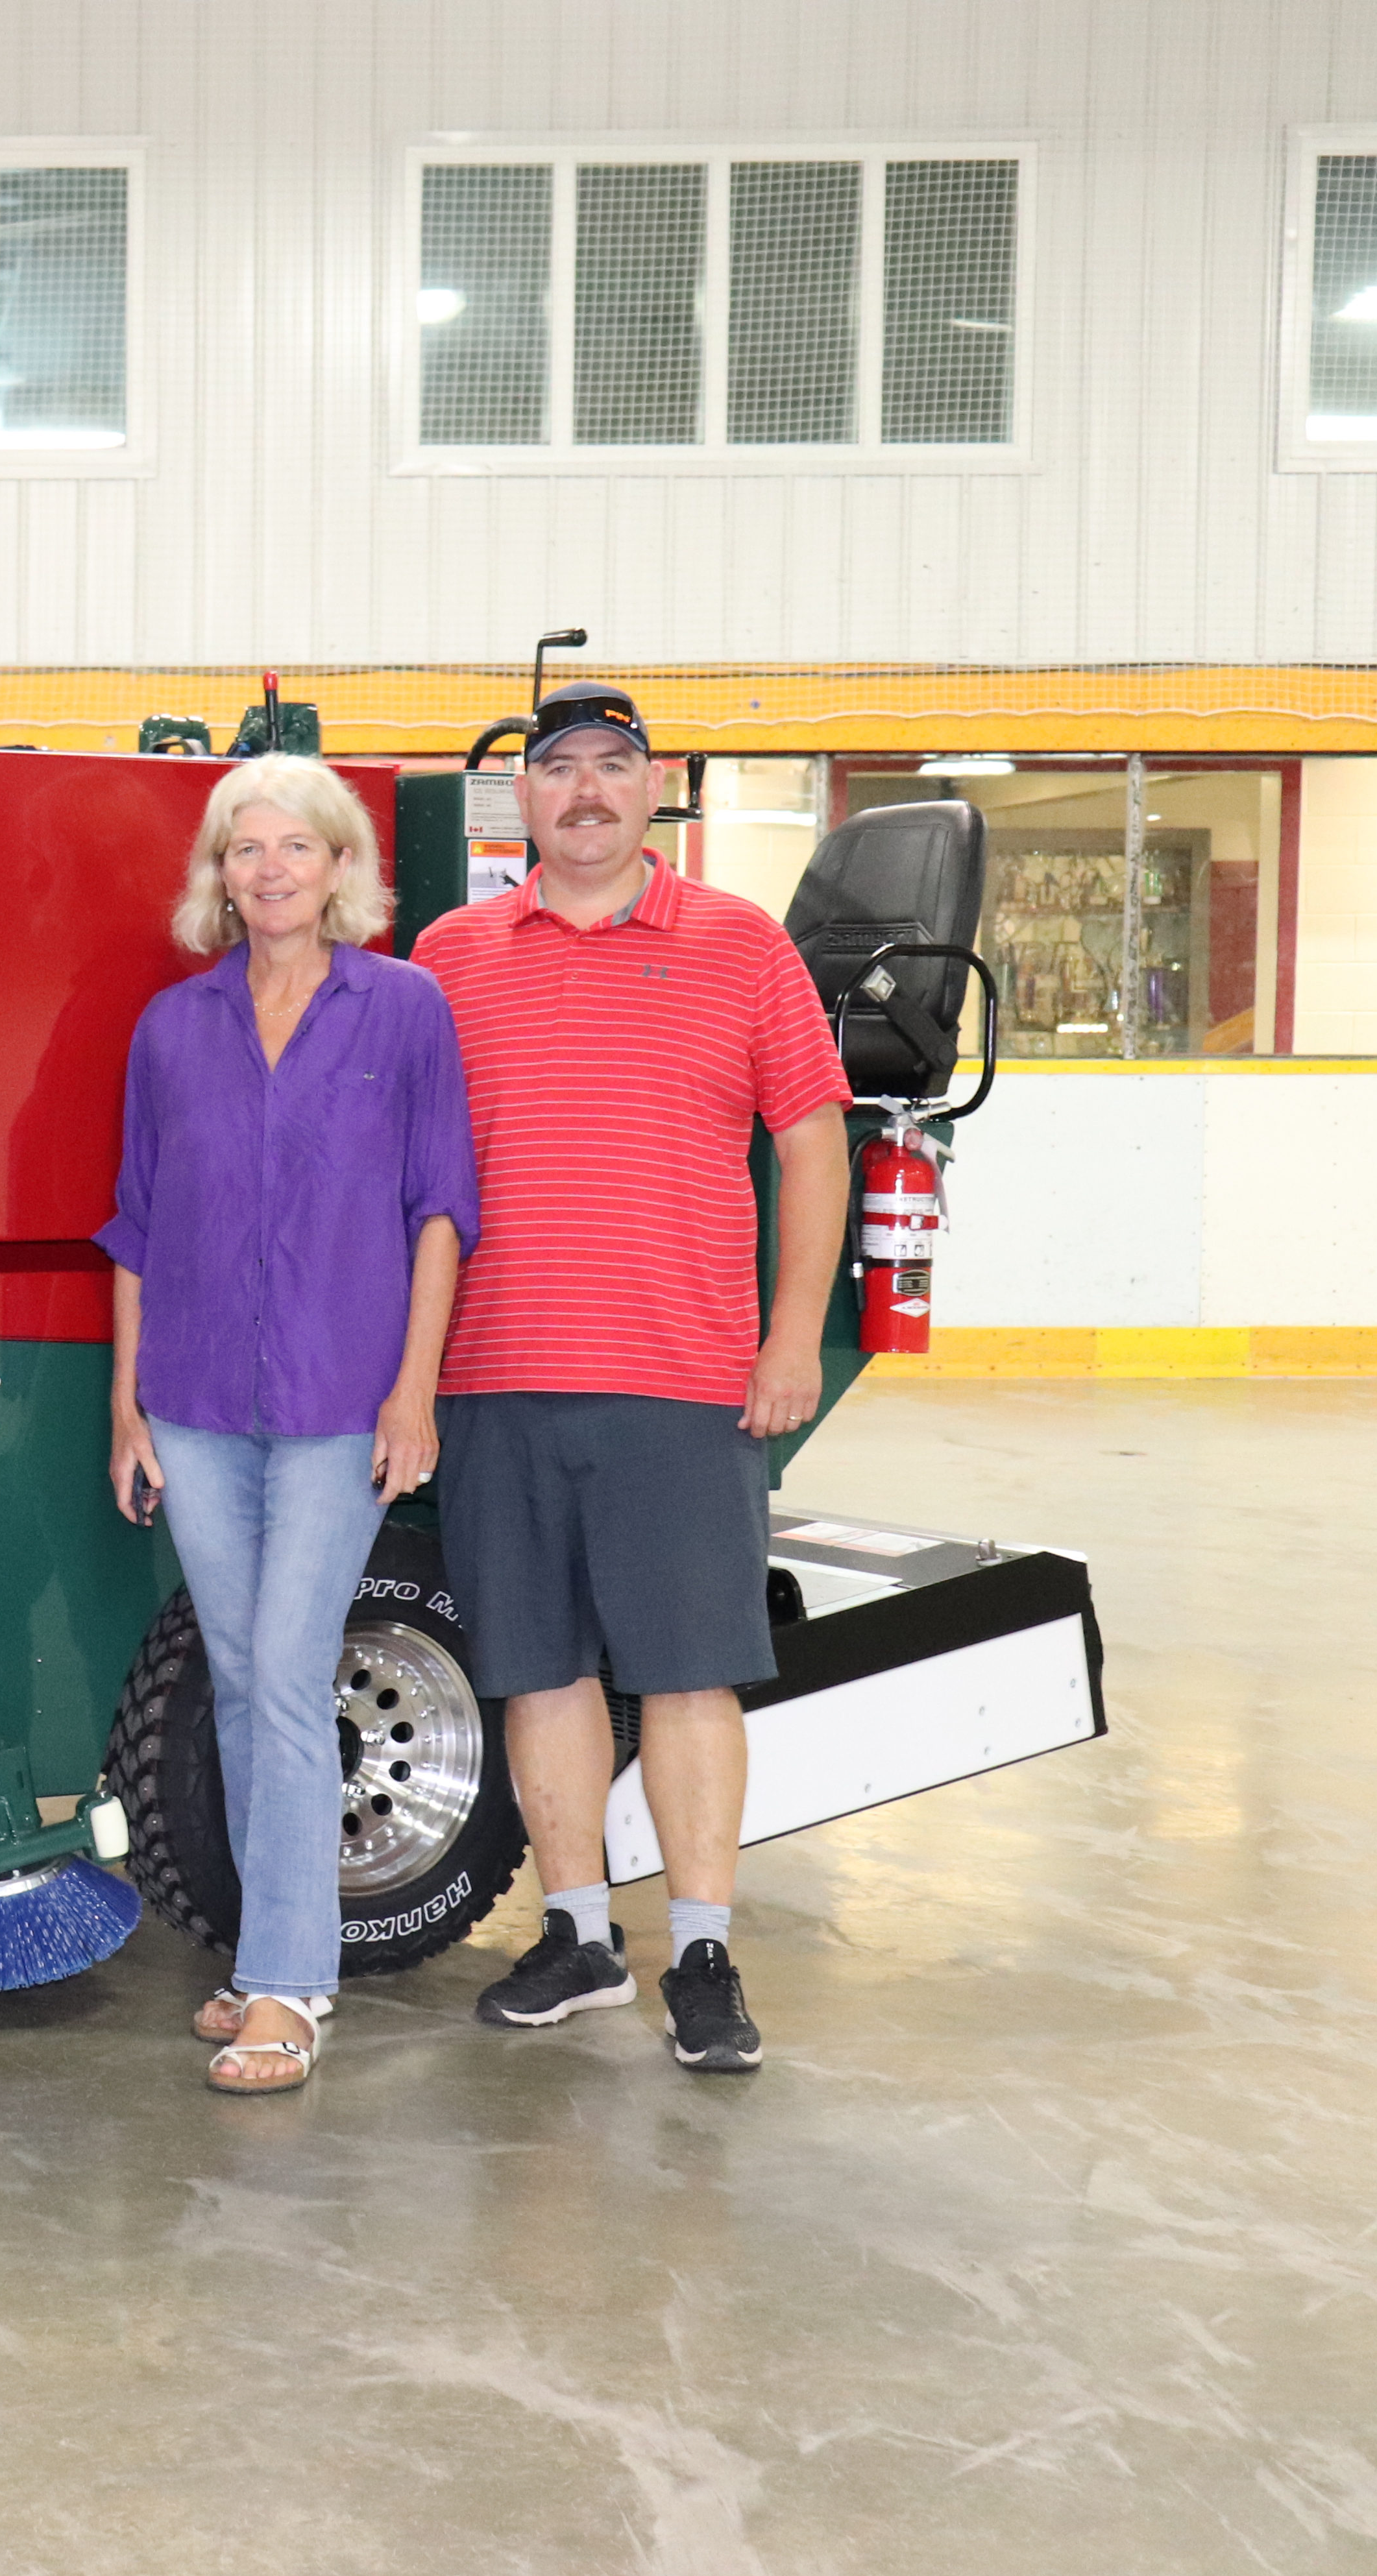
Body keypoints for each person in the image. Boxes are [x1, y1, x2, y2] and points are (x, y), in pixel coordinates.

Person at [408, 683, 852, 2075]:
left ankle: (705, 1952)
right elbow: (413, 1175)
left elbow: (816, 1148)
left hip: (681, 1379)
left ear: (653, 787)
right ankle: (581, 1935)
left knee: (687, 1674)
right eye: (560, 771)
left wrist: (790, 1337)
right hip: (496, 1370)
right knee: (537, 1669)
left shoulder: (740, 942)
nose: (587, 791)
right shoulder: (449, 953)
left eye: (615, 765)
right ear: (524, 801)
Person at [99, 756, 480, 2095]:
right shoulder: (173, 1027)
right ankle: (277, 1955)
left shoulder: (407, 1009)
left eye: (294, 847)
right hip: (195, 1400)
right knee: (248, 1675)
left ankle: (290, 1987)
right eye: (242, 850)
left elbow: (442, 1208)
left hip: (338, 1403)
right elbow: (137, 1227)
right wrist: (126, 1405)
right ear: (219, 876)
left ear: (340, 869)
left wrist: (414, 1389)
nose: (267, 871)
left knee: (283, 1662)